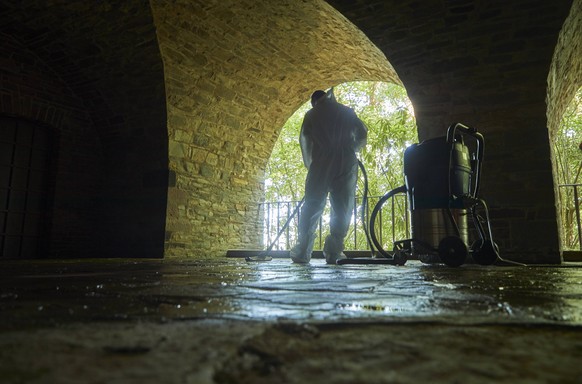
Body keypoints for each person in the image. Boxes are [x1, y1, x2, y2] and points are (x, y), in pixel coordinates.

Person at [290, 88, 368, 264]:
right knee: (343, 205)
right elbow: (362, 133)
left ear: (314, 101)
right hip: (346, 162)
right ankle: (334, 252)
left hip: (321, 162)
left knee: (313, 203)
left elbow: (305, 142)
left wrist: (312, 164)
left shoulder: (311, 115)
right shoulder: (347, 111)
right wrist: (351, 148)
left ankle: (303, 251)